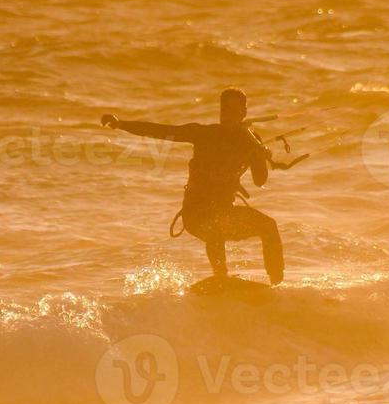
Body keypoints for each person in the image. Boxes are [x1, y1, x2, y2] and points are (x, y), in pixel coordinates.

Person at [102, 88, 285, 285]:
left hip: (225, 212)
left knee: (268, 226)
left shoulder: (250, 141)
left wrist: (259, 155)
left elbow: (259, 180)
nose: (227, 115)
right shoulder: (203, 134)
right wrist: (121, 124)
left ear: (244, 113)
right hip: (196, 214)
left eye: (234, 110)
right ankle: (220, 278)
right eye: (224, 109)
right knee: (216, 225)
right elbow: (162, 131)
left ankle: (276, 284)